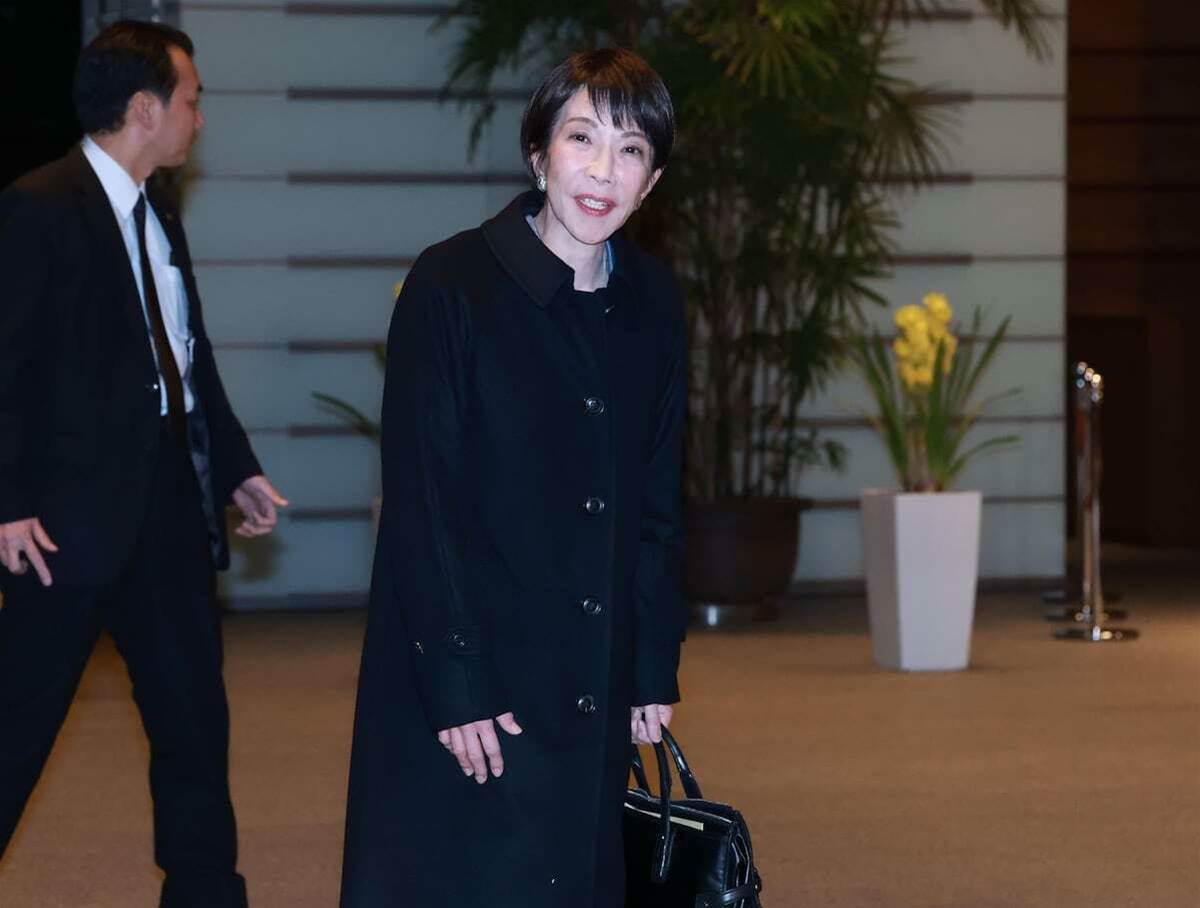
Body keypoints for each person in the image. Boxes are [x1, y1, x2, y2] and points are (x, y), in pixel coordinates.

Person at [340, 47, 687, 908]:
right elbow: (423, 502)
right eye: (582, 138)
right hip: (476, 670)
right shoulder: (451, 284)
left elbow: (657, 498)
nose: (603, 172)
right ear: (538, 153)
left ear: (651, 182)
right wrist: (459, 682)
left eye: (632, 150)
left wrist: (652, 662)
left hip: (593, 671)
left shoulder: (654, 301)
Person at [0, 21, 286, 907]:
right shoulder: (40, 206)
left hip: (166, 504)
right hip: (62, 518)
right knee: (17, 724)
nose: (200, 119)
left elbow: (185, 359)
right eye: (192, 100)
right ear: (144, 108)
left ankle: (206, 893)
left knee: (194, 720)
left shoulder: (159, 211)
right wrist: (7, 501)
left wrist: (233, 466)